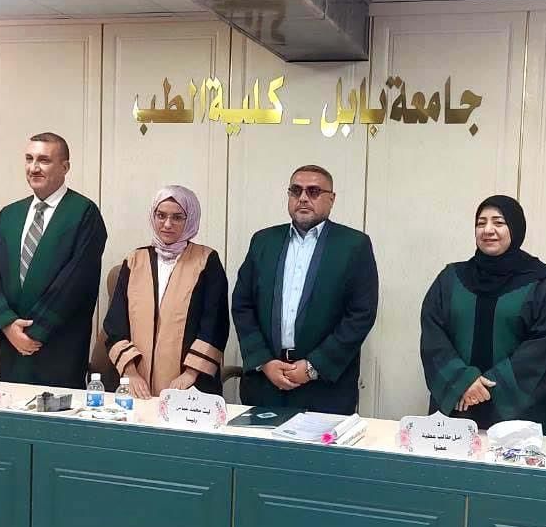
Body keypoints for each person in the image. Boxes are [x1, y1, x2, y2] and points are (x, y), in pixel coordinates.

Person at [232, 164, 378, 415]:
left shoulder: (353, 245)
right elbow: (242, 305)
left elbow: (361, 314)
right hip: (265, 382)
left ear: (331, 199)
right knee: (260, 442)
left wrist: (312, 367)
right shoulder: (264, 241)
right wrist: (264, 361)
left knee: (319, 444)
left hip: (324, 387)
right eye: (296, 190)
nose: (303, 198)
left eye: (313, 191)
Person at [420, 195, 546, 430]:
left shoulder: (543, 284)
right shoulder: (450, 279)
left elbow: (545, 347)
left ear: (515, 228)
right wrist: (462, 382)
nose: (488, 230)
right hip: (456, 413)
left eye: (498, 222)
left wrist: (487, 388)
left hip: (517, 419)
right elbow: (433, 337)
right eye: (481, 223)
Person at [0, 132, 107, 387]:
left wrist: (33, 333)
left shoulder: (84, 213)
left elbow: (76, 283)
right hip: (12, 346)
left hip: (58, 346)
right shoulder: (10, 214)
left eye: (44, 160)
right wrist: (7, 324)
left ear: (65, 167)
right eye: (29, 159)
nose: (34, 167)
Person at [104, 185, 229, 398]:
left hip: (188, 385)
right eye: (161, 216)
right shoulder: (135, 260)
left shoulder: (206, 260)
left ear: (190, 219)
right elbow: (116, 322)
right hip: (135, 383)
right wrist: (131, 373)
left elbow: (215, 323)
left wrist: (190, 374)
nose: (167, 224)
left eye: (177, 217)